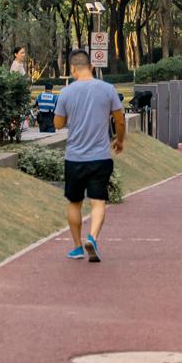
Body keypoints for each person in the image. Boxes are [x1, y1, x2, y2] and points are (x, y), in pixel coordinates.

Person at [53, 47, 125, 262]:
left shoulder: (66, 92)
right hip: (100, 156)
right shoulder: (108, 89)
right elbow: (119, 120)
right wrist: (119, 140)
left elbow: (58, 124)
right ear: (91, 67)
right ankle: (92, 238)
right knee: (98, 201)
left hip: (74, 158)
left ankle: (77, 247)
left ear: (73, 69)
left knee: (74, 202)